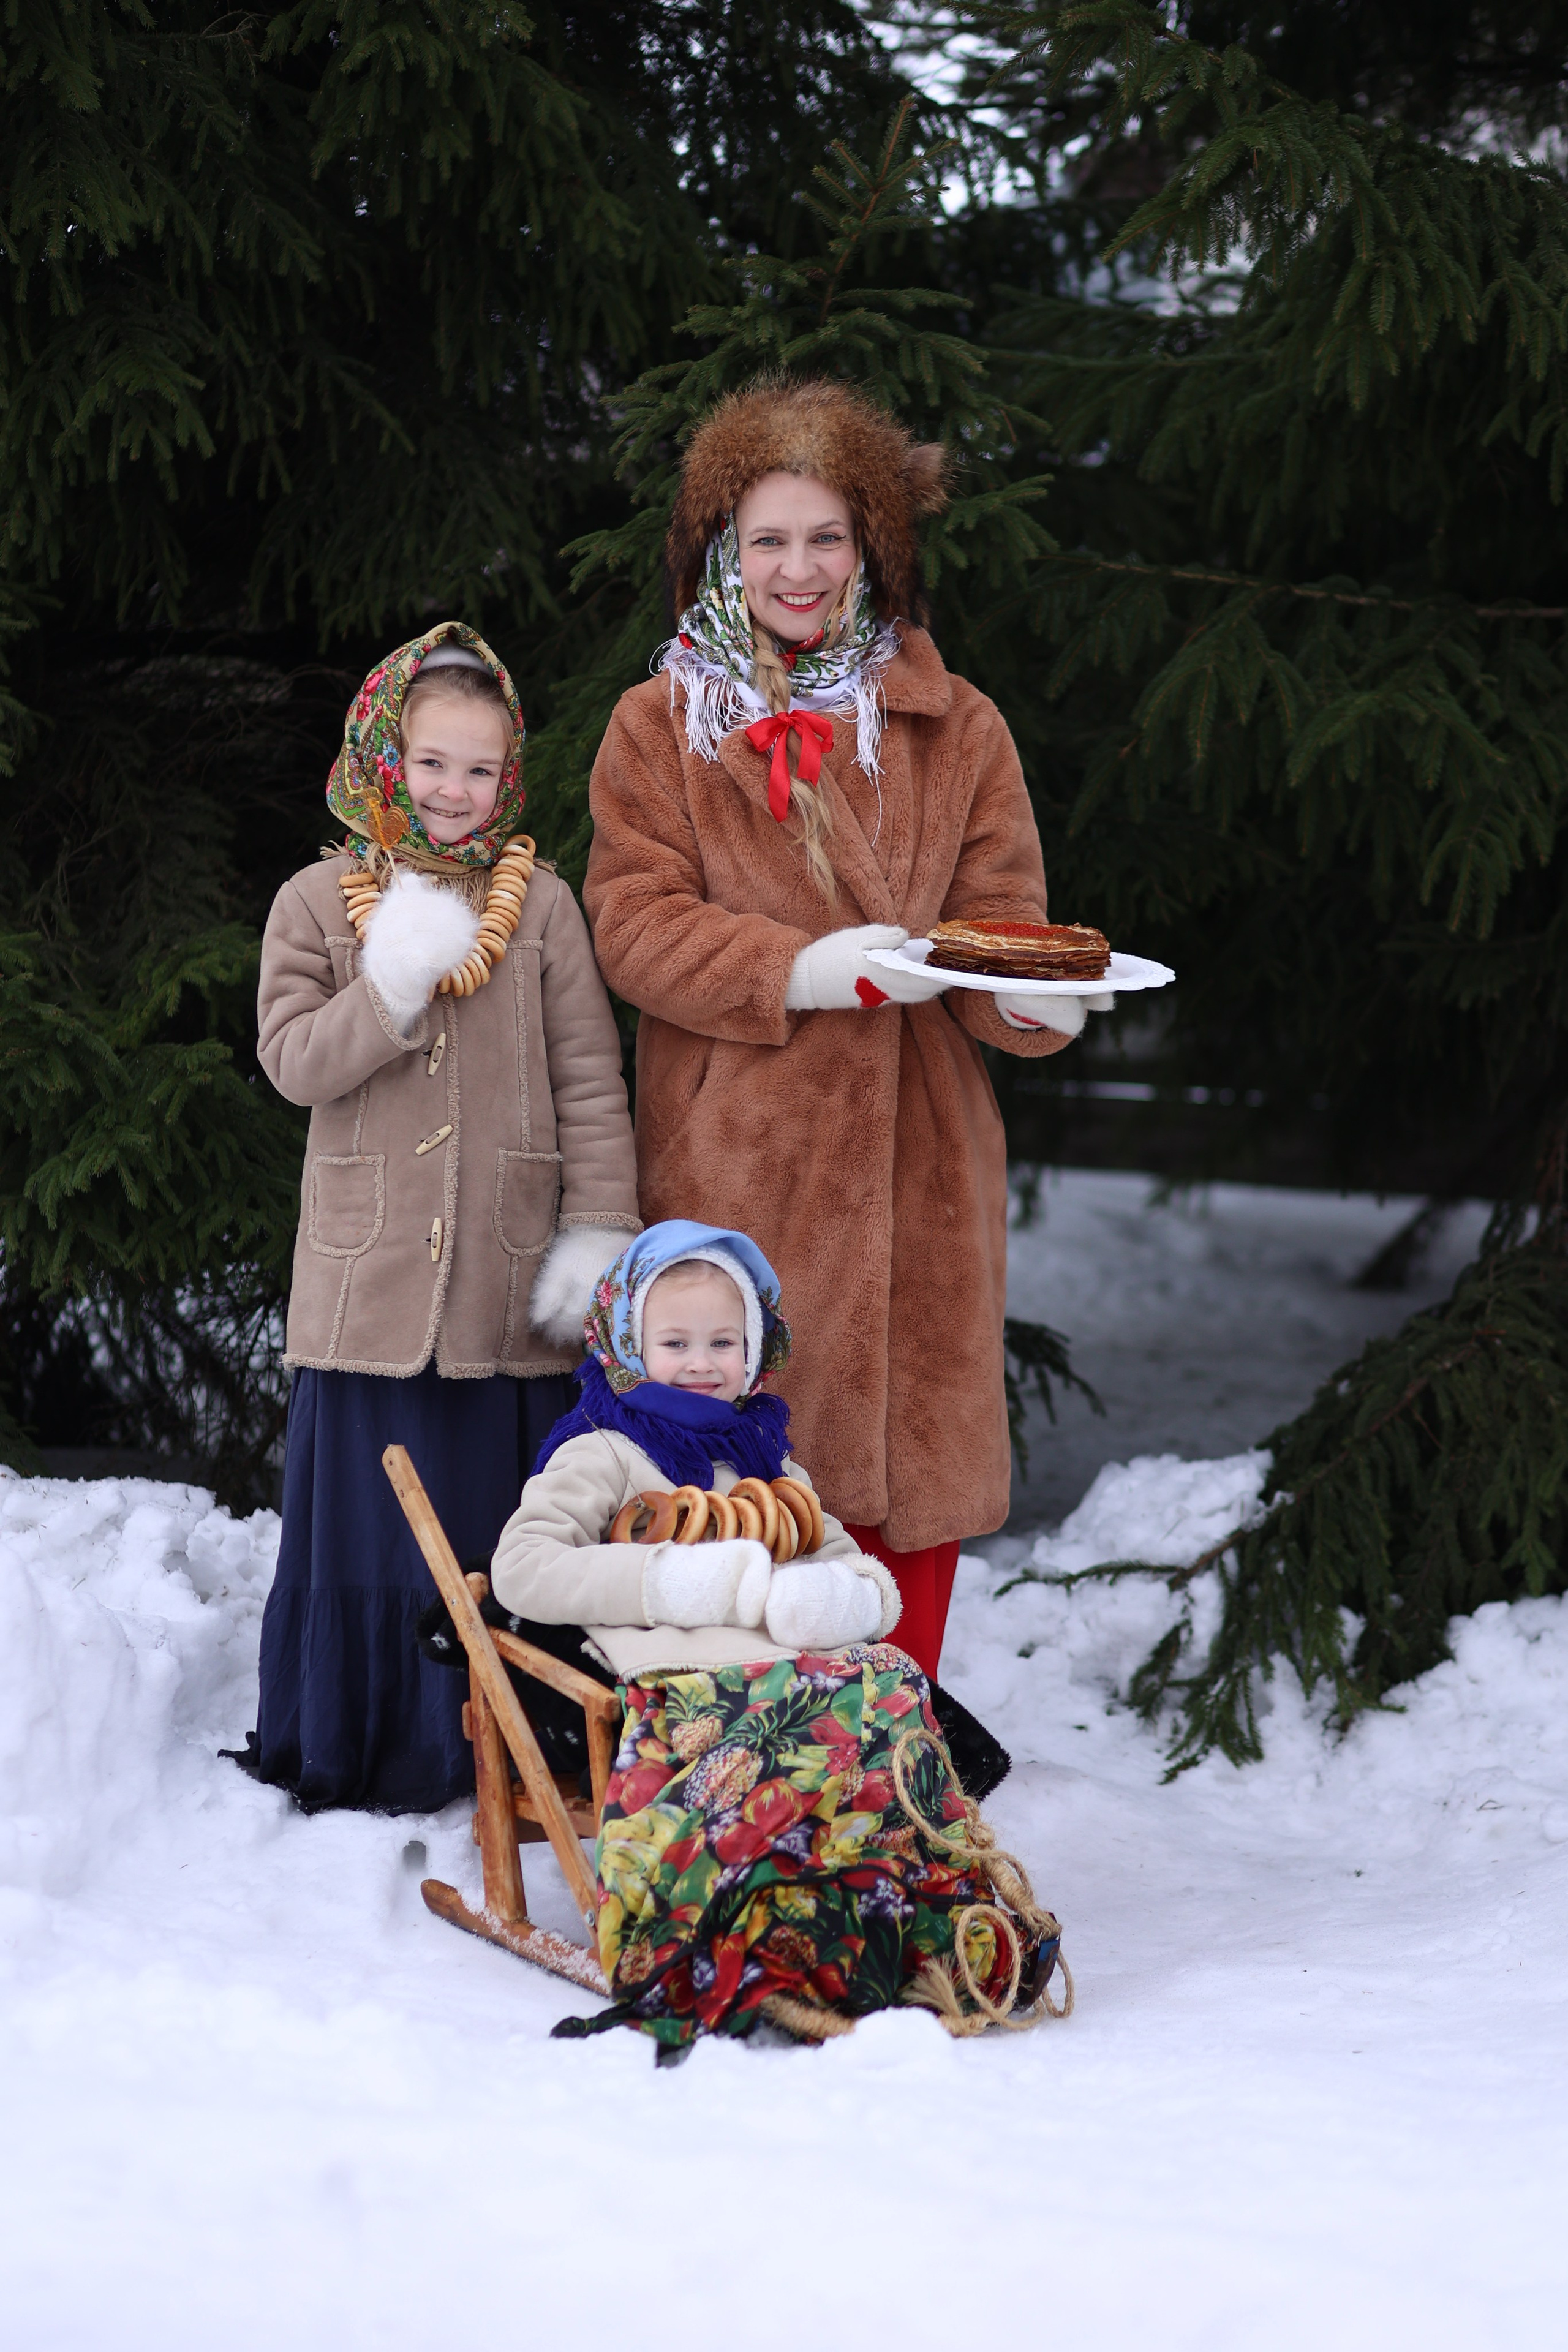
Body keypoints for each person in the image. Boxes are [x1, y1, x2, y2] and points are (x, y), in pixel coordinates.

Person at [584, 379, 1080, 1680]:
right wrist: (797, 970)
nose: (796, 570)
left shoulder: (954, 725)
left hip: (918, 1167)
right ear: (715, 553)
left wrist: (1028, 1003)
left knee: (907, 1466)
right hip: (739, 1164)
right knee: (737, 1475)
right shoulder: (659, 727)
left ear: (872, 549)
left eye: (825, 539)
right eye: (766, 540)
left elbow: (996, 928)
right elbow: (630, 927)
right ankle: (747, 1763)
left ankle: (895, 1741)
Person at [488, 1221, 1065, 2052]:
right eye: (675, 1341)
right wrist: (669, 1584)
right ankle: (746, 1932)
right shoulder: (604, 1452)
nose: (700, 1362)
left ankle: (926, 1919)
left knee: (894, 1685)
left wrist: (828, 1602)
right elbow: (523, 1569)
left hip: (795, 1668)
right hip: (689, 1685)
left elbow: (864, 1579)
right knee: (801, 1714)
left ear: (755, 1350)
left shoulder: (770, 1463)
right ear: (628, 1341)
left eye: (724, 1341)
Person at [251, 622, 639, 1812]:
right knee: (374, 1527)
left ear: (506, 775)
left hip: (504, 1282)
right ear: (385, 757)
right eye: (431, 763)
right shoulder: (318, 902)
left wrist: (602, 1234)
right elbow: (291, 1062)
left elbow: (587, 1081)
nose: (454, 792)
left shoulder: (542, 909)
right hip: (368, 1290)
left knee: (485, 1529)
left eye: (479, 768)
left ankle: (495, 1745)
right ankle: (361, 1742)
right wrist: (390, 984)